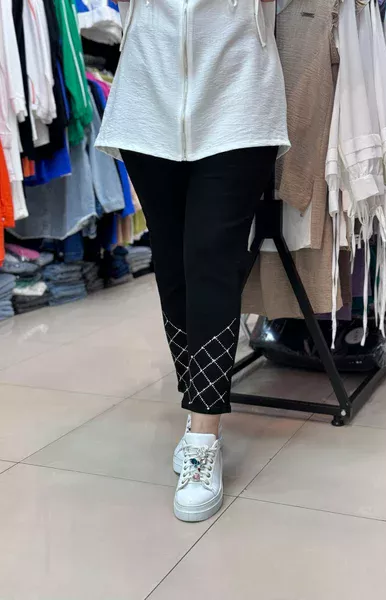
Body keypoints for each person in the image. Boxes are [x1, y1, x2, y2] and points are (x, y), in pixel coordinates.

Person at [95, 0, 289, 522]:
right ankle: (196, 397)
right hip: (147, 95)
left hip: (238, 97)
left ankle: (204, 436)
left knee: (211, 258)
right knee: (174, 263)